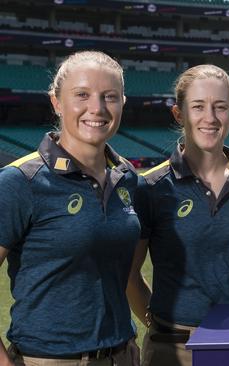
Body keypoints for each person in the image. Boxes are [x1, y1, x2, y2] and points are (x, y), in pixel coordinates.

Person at [0, 51, 140, 366]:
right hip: (50, 359)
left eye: (110, 97)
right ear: (57, 102)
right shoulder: (21, 181)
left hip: (121, 355)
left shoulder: (127, 178)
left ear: (122, 103)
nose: (98, 108)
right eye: (82, 95)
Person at [127, 64, 229, 366]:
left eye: (220, 107)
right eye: (198, 107)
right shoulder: (150, 187)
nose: (210, 118)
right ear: (179, 114)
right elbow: (129, 276)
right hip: (172, 349)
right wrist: (163, 322)